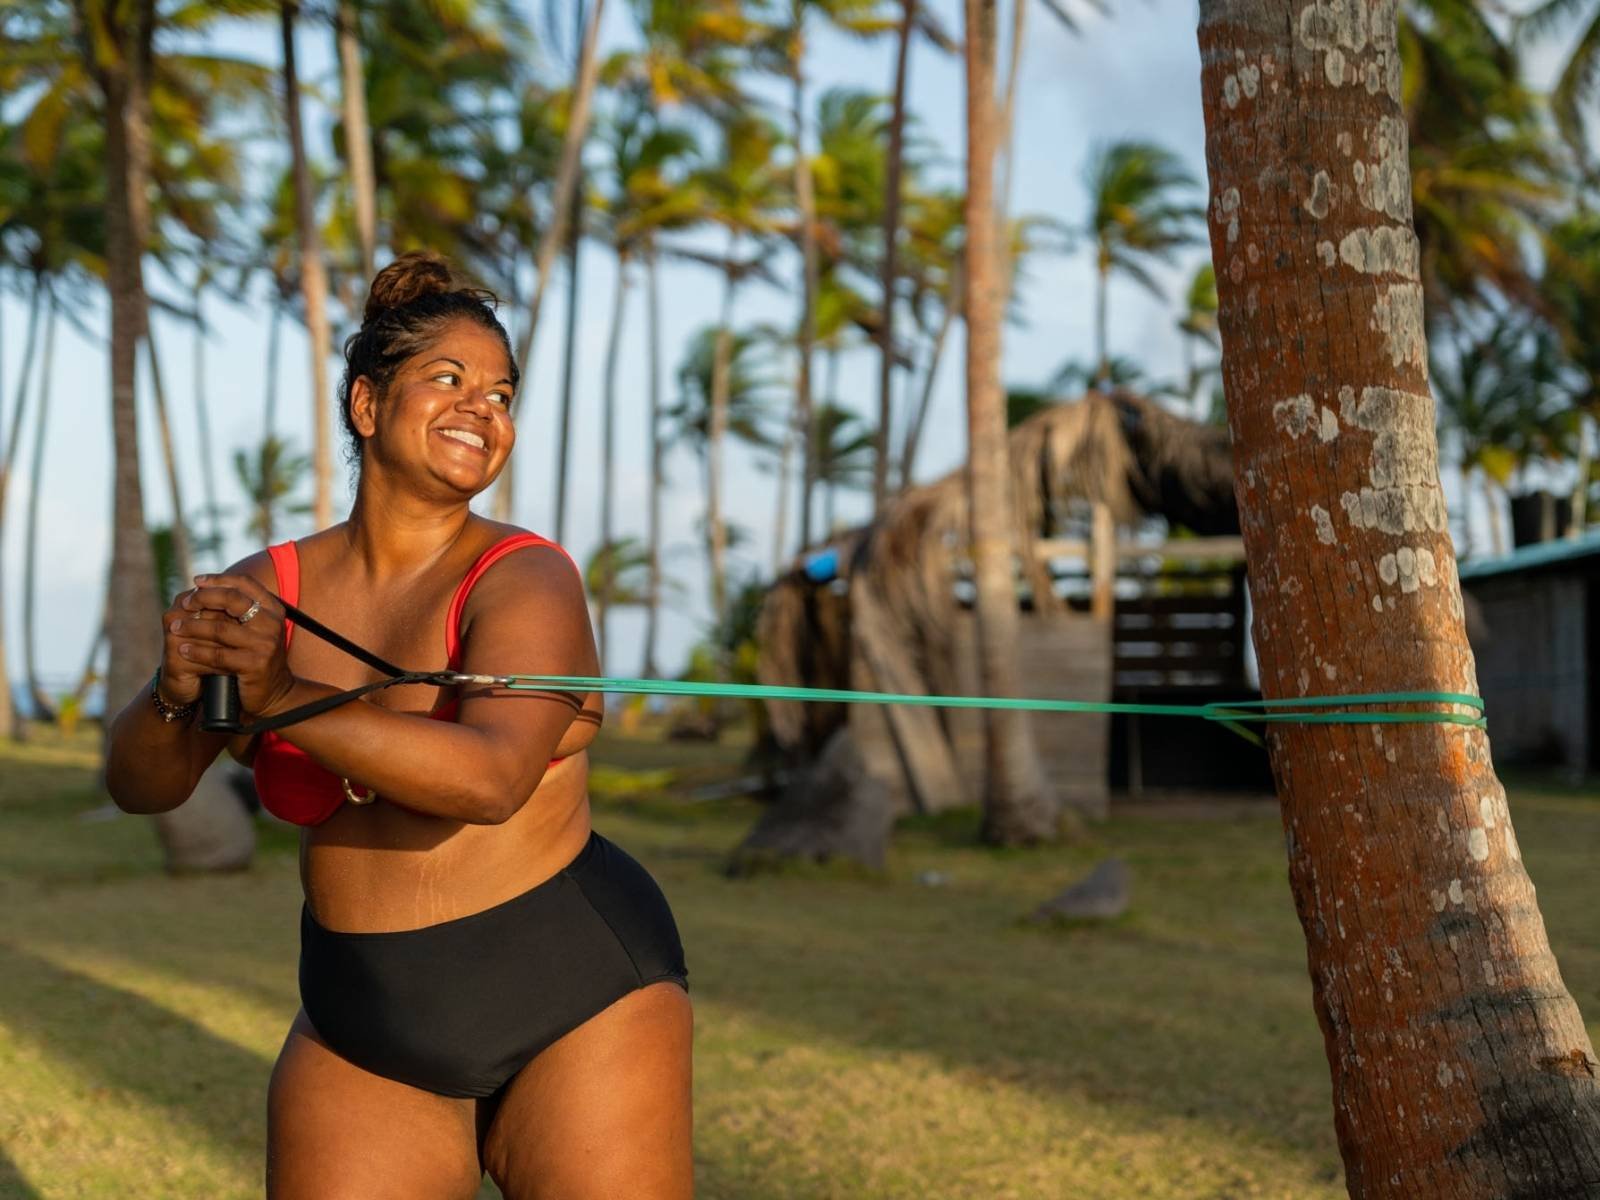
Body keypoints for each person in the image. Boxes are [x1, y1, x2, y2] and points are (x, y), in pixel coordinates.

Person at [103, 251, 693, 1200]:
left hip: (573, 990)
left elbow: (491, 780)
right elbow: (144, 785)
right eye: (448, 379)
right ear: (367, 405)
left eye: (502, 393)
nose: (482, 408)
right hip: (362, 1016)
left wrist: (284, 699)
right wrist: (176, 690)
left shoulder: (527, 577)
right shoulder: (268, 588)